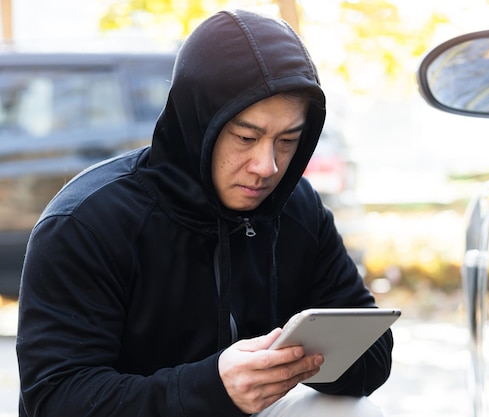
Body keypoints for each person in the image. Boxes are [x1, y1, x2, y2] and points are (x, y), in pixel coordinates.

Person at [16, 9, 394, 417]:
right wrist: (212, 389)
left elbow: (373, 355)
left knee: (353, 411)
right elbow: (55, 399)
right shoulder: (88, 221)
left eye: (287, 140)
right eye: (246, 137)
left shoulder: (296, 207)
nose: (267, 166)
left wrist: (301, 359)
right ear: (198, 124)